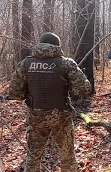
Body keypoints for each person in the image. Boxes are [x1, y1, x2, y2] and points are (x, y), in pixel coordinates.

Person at [4, 32, 91, 171]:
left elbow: (15, 93)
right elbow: (84, 90)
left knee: (33, 157)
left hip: (36, 117)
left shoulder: (26, 63)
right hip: (61, 117)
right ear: (58, 46)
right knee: (67, 158)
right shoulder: (66, 63)